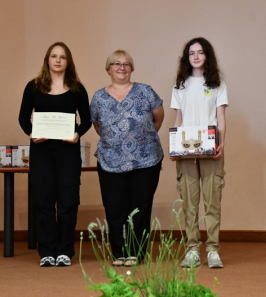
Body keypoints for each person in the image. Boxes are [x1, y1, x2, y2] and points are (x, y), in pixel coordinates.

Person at [19, 42, 91, 267]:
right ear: (47, 60)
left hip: (68, 153)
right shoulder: (33, 87)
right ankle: (47, 251)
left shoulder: (77, 88)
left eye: (62, 57)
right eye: (54, 56)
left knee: (68, 202)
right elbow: (23, 118)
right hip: (41, 153)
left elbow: (87, 120)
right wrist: (31, 134)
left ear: (68, 61)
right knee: (44, 201)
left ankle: (64, 251)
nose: (58, 60)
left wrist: (77, 134)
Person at [90, 49, 164, 267]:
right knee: (115, 209)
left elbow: (157, 119)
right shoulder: (98, 97)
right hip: (110, 161)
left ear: (131, 68)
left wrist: (142, 138)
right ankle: (119, 252)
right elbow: (98, 127)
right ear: (108, 69)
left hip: (146, 160)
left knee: (139, 208)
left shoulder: (145, 91)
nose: (121, 67)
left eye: (126, 64)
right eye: (116, 63)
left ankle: (137, 252)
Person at [170, 37, 228, 268]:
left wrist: (221, 144)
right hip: (186, 151)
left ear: (207, 56)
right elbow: (178, 118)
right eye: (191, 53)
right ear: (187, 57)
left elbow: (221, 118)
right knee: (189, 202)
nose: (195, 56)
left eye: (200, 52)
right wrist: (174, 145)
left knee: (212, 201)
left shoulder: (217, 84)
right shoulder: (180, 85)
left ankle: (213, 249)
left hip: (211, 149)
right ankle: (192, 249)